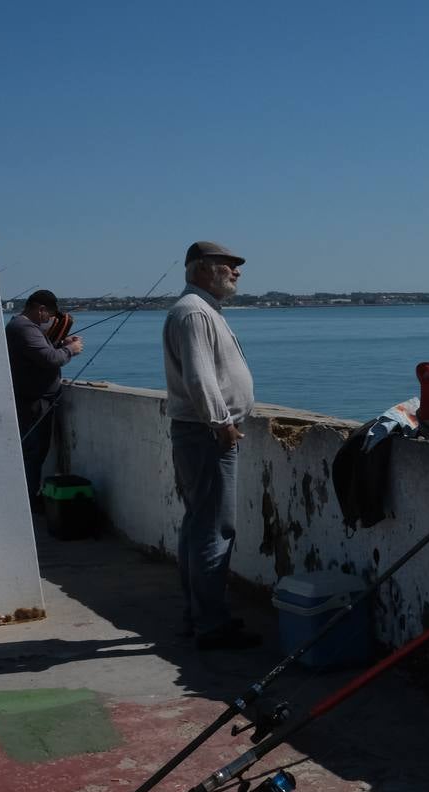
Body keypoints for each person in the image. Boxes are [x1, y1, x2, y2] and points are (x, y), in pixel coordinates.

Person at [163, 241, 261, 650]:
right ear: (202, 270)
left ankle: (198, 615)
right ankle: (211, 625)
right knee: (215, 529)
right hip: (207, 435)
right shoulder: (194, 313)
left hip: (199, 432)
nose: (236, 272)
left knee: (199, 525)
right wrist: (221, 423)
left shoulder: (201, 311)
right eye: (228, 266)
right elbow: (200, 378)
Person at [5, 289, 84, 511]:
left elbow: (42, 353)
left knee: (37, 452)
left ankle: (31, 497)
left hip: (39, 399)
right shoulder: (23, 328)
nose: (49, 320)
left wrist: (61, 344)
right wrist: (70, 350)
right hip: (34, 402)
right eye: (49, 315)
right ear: (41, 309)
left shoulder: (27, 328)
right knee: (34, 452)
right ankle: (29, 501)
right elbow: (49, 359)